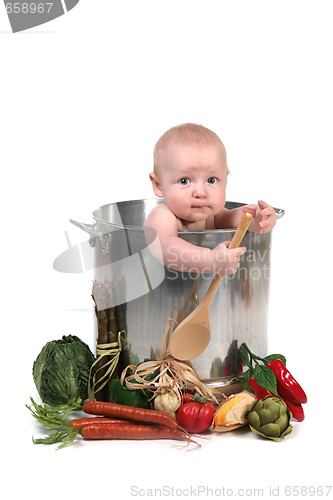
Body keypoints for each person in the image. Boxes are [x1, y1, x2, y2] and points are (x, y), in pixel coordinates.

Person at [144, 123, 277, 274]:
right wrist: (209, 260)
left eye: (212, 180)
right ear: (158, 185)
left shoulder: (215, 215)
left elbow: (237, 219)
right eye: (184, 181)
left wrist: (259, 219)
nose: (201, 192)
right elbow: (162, 246)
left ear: (225, 181)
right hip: (171, 293)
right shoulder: (162, 215)